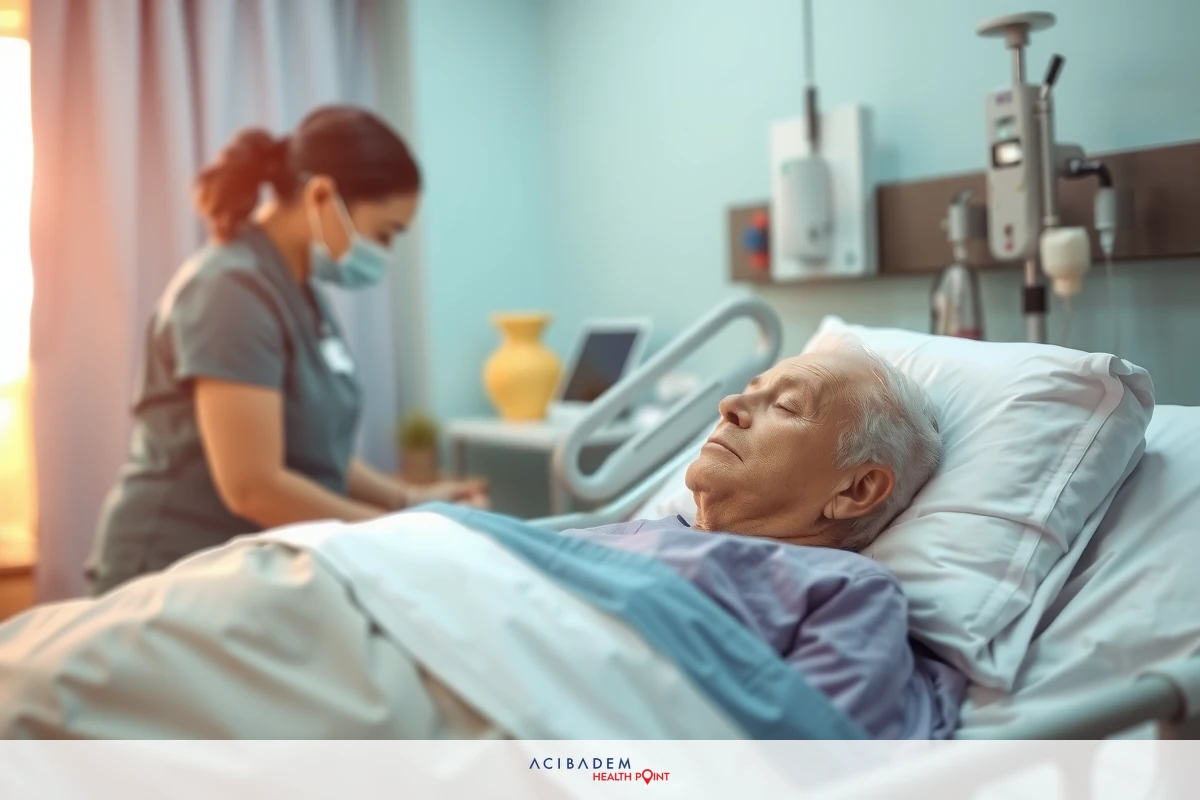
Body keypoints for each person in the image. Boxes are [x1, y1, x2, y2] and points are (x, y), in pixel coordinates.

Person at [6, 336, 962, 739]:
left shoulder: (847, 593)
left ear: (858, 490)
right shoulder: (624, 532)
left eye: (780, 403)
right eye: (746, 389)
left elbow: (812, 755)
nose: (732, 404)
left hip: (456, 674)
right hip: (367, 586)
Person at [87, 106, 484, 596]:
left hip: (239, 569)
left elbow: (316, 450)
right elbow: (254, 485)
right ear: (321, 195)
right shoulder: (230, 291)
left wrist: (410, 500)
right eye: (384, 234)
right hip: (166, 571)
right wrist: (395, 536)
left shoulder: (299, 290)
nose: (385, 255)